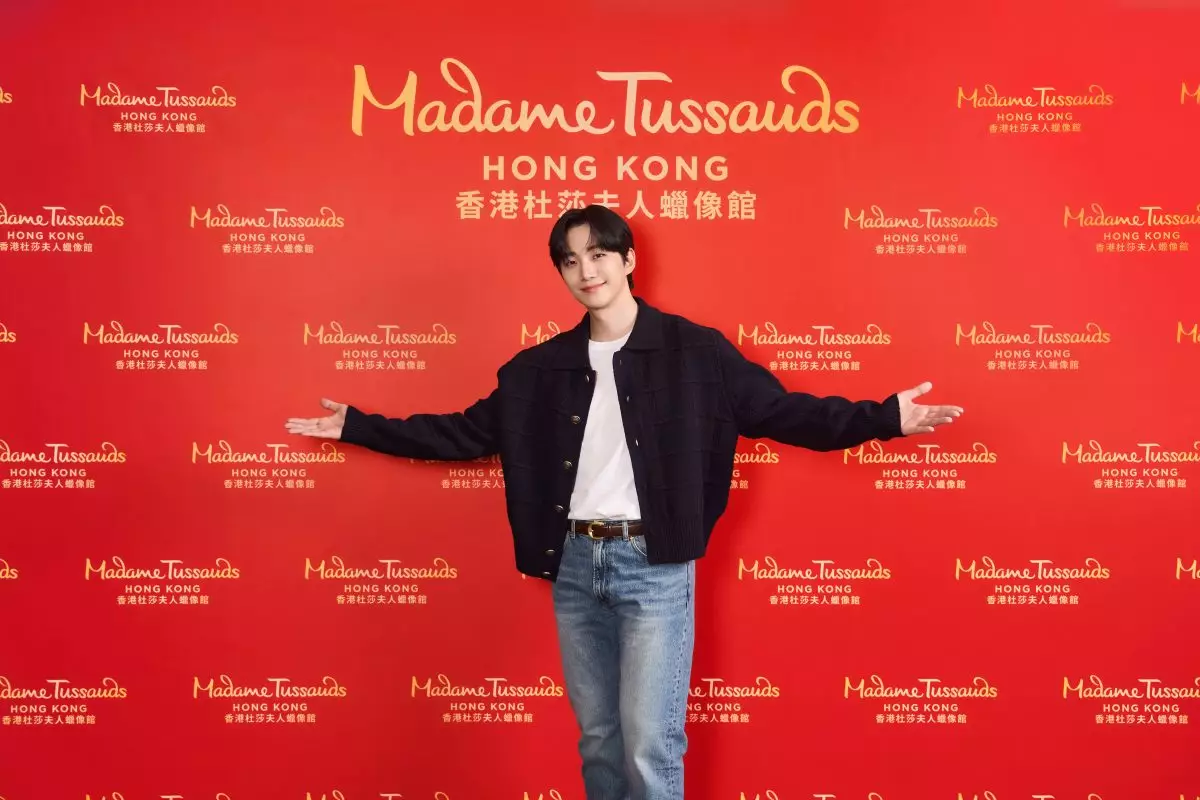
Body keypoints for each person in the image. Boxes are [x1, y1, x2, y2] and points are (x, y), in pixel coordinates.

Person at [285, 204, 964, 800]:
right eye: (570, 260)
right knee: (600, 743)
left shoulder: (696, 351)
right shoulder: (537, 369)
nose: (587, 271)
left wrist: (885, 418)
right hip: (574, 566)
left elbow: (786, 413)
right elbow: (462, 433)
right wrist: (358, 425)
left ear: (629, 260)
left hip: (655, 565)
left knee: (649, 744)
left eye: (599, 254)